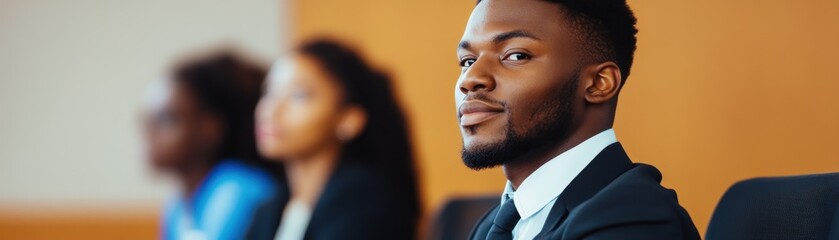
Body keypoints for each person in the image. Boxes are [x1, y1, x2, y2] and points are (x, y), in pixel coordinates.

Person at [455, 0, 701, 239]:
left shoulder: (632, 217)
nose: (470, 79)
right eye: (468, 61)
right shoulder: (492, 224)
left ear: (598, 84)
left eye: (516, 55)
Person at [247, 39, 420, 240]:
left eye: (299, 95)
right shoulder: (269, 209)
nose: (271, 109)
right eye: (269, 92)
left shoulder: (364, 202)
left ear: (348, 119)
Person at [141, 52, 280, 240]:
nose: (149, 131)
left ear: (210, 129)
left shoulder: (238, 190)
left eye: (167, 119)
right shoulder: (177, 204)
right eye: (147, 118)